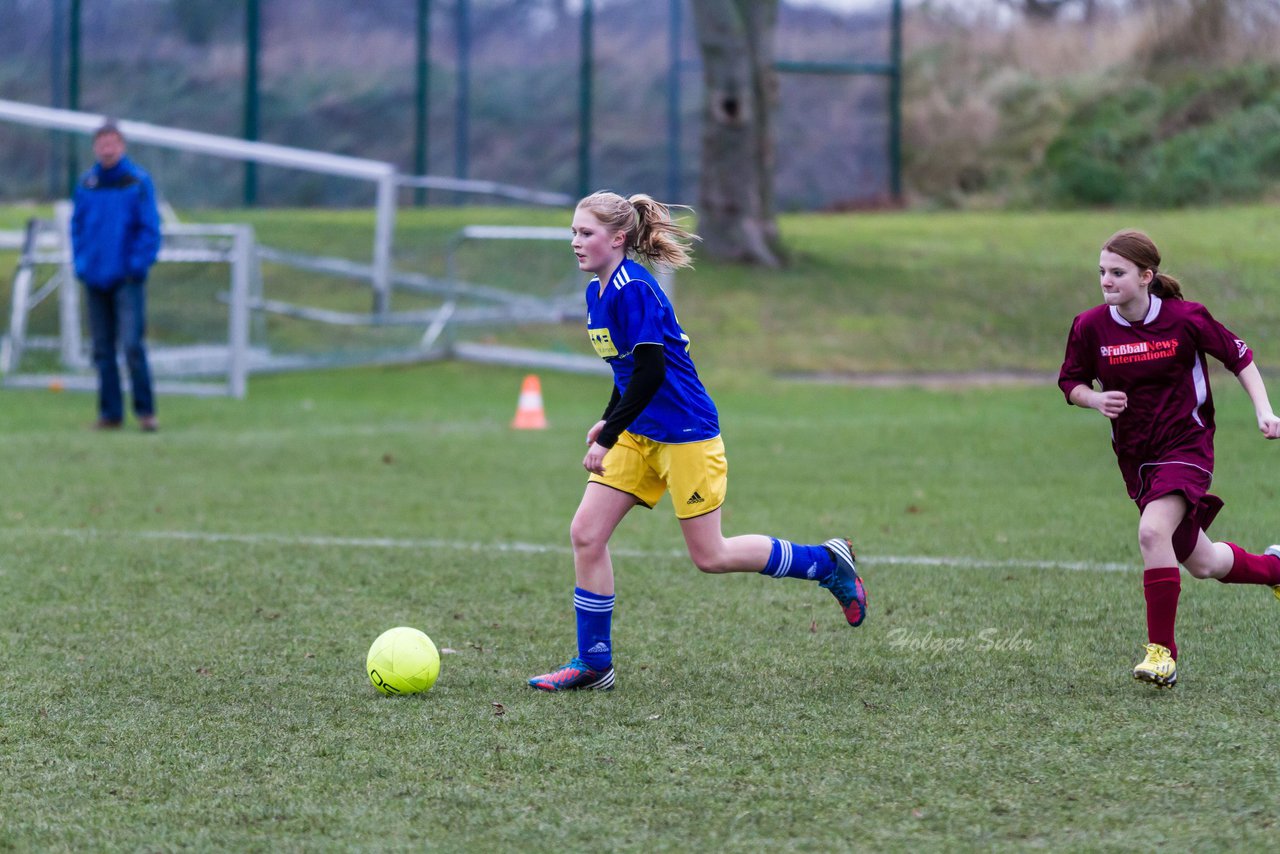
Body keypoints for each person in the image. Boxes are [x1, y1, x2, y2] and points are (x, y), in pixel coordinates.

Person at [528, 191, 867, 692]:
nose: (576, 242)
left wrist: (610, 432)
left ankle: (825, 562)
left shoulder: (632, 289)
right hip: (641, 432)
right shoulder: (596, 293)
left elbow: (651, 371)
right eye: (573, 233)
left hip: (686, 433)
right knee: (586, 534)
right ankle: (594, 663)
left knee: (711, 556)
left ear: (618, 239)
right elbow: (627, 373)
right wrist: (609, 421)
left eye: (586, 233)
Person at [1058, 228, 1280, 689]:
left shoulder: (1186, 319)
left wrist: (1264, 410)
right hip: (1137, 458)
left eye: (1117, 273)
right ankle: (1277, 569)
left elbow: (1239, 357)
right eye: (1102, 272)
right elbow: (1071, 383)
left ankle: (1162, 655)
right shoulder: (1089, 327)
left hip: (1187, 445)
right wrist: (1093, 401)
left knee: (1152, 531)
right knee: (1202, 563)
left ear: (1145, 276)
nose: (1106, 281)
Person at [71, 121, 162, 432]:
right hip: (95, 277)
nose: (107, 149)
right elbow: (78, 228)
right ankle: (110, 414)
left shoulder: (136, 181)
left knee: (132, 346)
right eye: (102, 143)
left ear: (121, 146)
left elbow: (149, 228)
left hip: (126, 278)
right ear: (96, 147)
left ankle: (146, 413)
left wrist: (136, 265)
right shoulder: (87, 183)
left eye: (112, 143)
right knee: (101, 349)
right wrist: (82, 263)